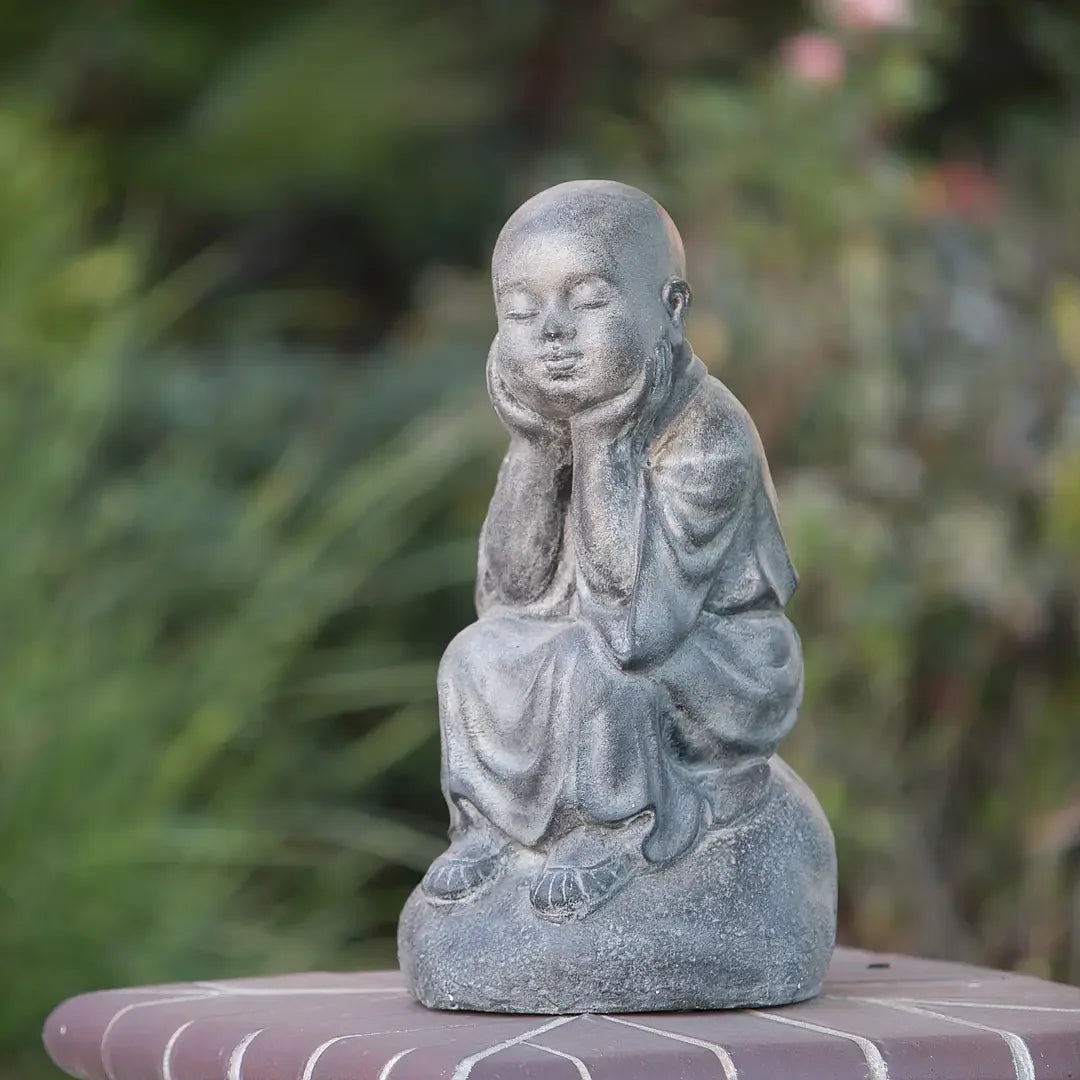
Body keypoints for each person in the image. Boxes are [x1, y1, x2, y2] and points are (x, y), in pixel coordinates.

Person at [422, 180, 804, 921]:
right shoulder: (548, 419)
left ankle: (616, 828)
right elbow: (509, 594)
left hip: (717, 661)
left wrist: (605, 440)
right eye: (521, 313)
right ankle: (496, 826)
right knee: (472, 656)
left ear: (670, 309)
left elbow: (637, 632)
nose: (553, 333)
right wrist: (537, 447)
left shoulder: (708, 433)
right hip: (589, 642)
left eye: (589, 300)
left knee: (595, 666)